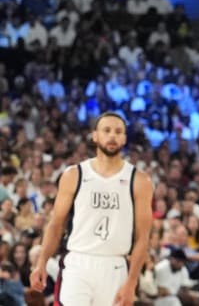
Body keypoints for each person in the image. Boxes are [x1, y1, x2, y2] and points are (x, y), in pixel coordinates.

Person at [29, 112, 154, 306]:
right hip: (78, 262)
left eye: (118, 131)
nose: (112, 136)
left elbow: (143, 237)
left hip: (115, 265)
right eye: (106, 130)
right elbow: (56, 224)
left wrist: (132, 282)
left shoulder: (139, 181)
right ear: (95, 136)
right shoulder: (73, 175)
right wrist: (41, 262)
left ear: (124, 138)